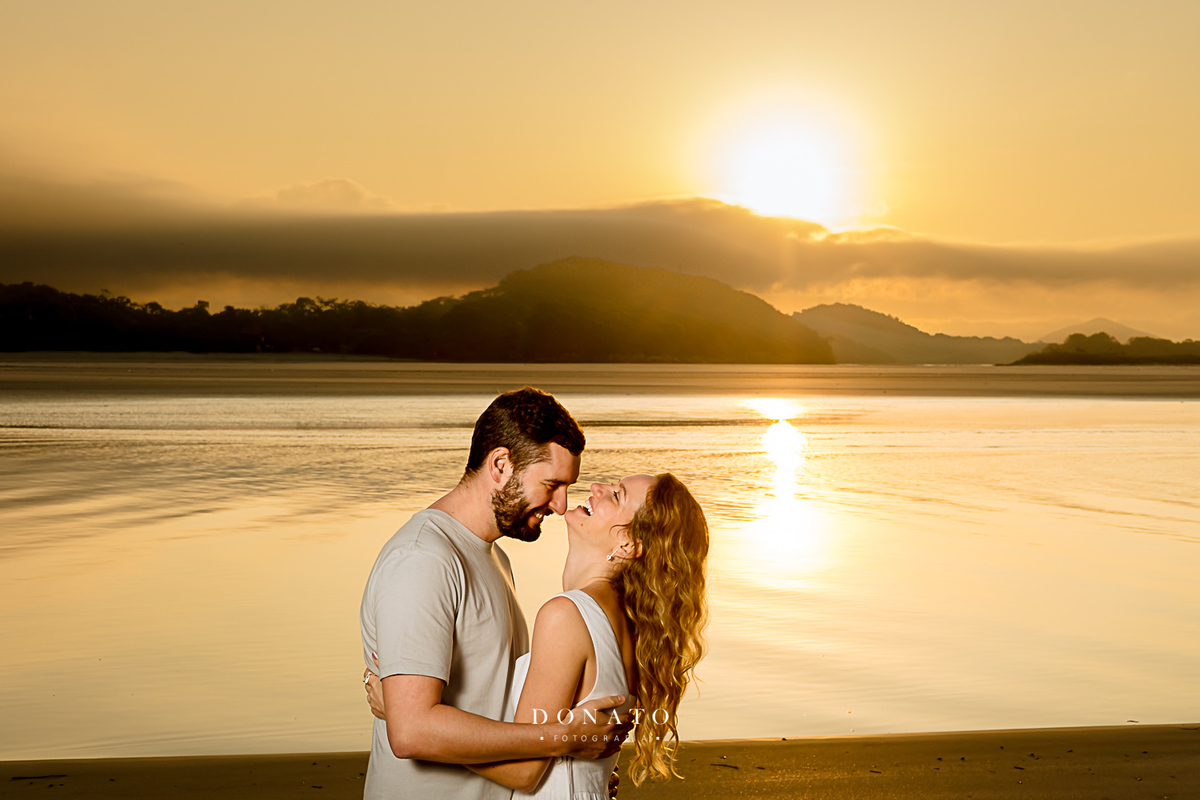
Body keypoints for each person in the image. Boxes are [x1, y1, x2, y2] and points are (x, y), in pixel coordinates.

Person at [366, 471, 710, 798]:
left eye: (616, 495)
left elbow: (525, 772)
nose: (596, 487)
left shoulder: (567, 615)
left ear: (626, 543)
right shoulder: (625, 620)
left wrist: (408, 720)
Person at [359, 387, 629, 800]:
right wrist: (564, 740)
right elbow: (412, 731)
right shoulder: (423, 560)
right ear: (501, 465)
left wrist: (568, 774)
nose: (560, 506)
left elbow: (500, 706)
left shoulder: (493, 558)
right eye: (552, 484)